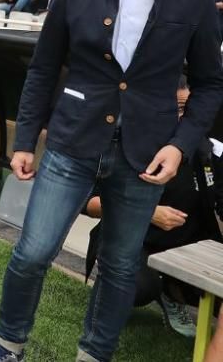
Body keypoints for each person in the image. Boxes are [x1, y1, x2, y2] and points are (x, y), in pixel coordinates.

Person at [0, 0, 223, 362]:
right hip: (72, 142)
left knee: (120, 266)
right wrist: (25, 139)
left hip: (147, 154)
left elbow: (211, 84)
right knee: (31, 253)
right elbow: (44, 69)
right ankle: (7, 346)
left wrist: (180, 144)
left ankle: (94, 355)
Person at [83, 78, 223, 338]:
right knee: (137, 288)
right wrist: (149, 213)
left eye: (188, 110)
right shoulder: (129, 144)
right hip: (133, 241)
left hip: (186, 246)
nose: (183, 118)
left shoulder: (209, 152)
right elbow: (89, 203)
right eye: (176, 109)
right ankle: (121, 286)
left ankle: (173, 292)